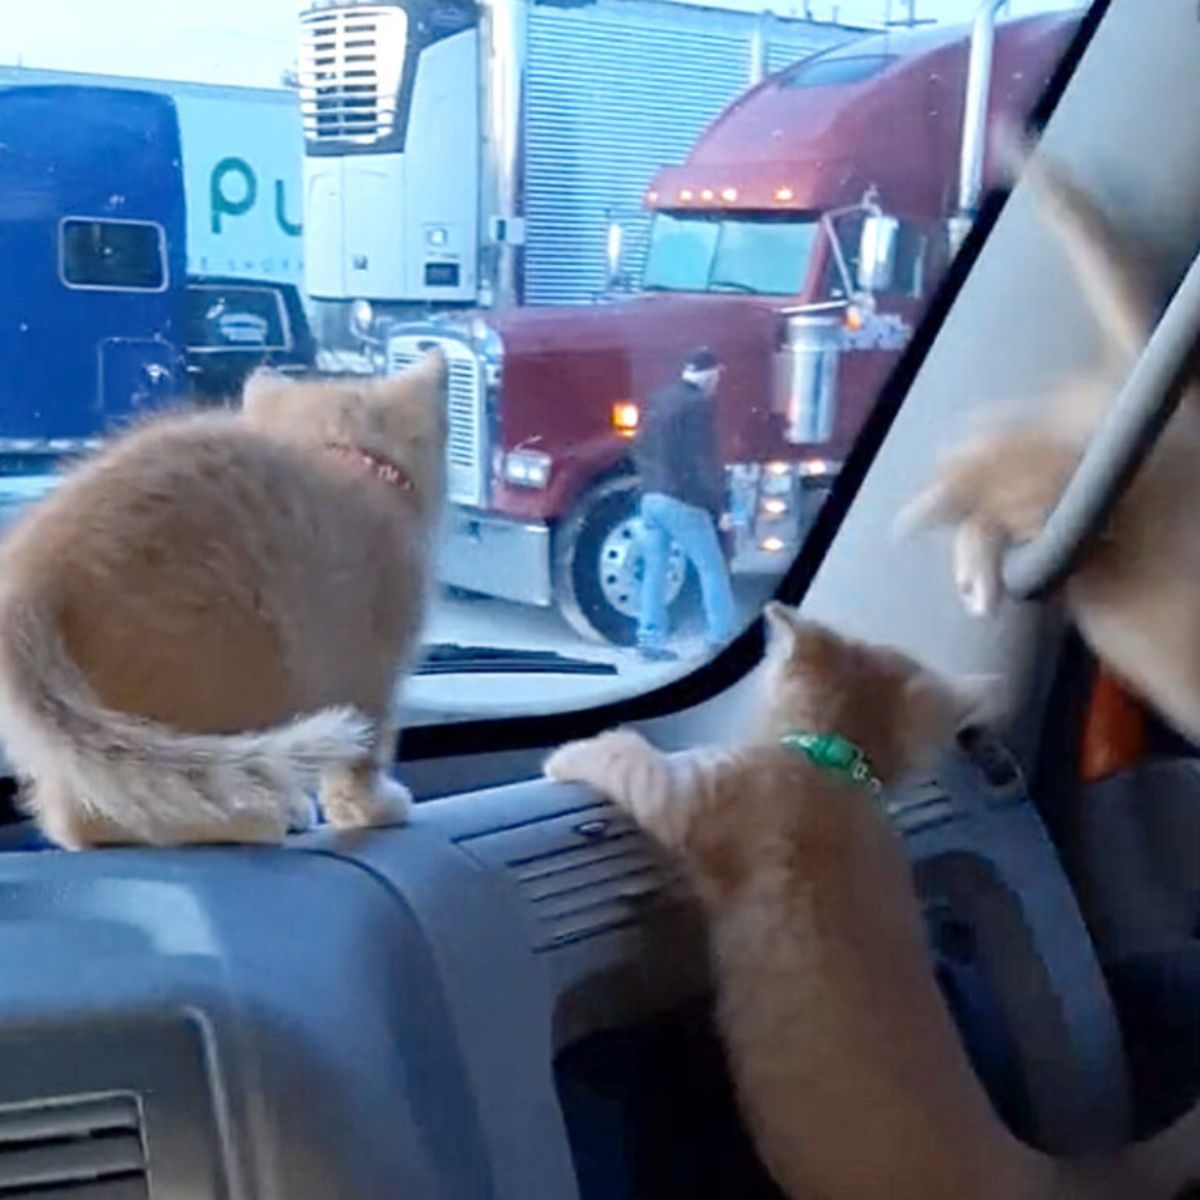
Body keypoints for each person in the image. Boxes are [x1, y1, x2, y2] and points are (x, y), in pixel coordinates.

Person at [632, 347, 737, 663]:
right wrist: (721, 508)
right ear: (707, 373)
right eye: (717, 373)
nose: (718, 380)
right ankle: (722, 637)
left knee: (655, 569)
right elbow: (704, 461)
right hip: (682, 501)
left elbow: (638, 446)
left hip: (651, 497)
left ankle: (649, 638)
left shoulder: (659, 399)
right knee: (712, 569)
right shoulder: (698, 406)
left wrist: (647, 485)